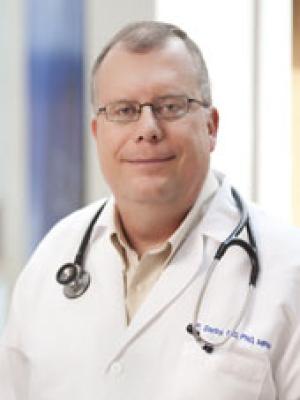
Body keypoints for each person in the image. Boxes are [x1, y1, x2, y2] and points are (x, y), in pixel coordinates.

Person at [1, 20, 300, 400]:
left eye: (171, 106)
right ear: (97, 133)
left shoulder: (289, 269)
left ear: (211, 127)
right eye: (124, 110)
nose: (148, 128)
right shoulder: (51, 258)